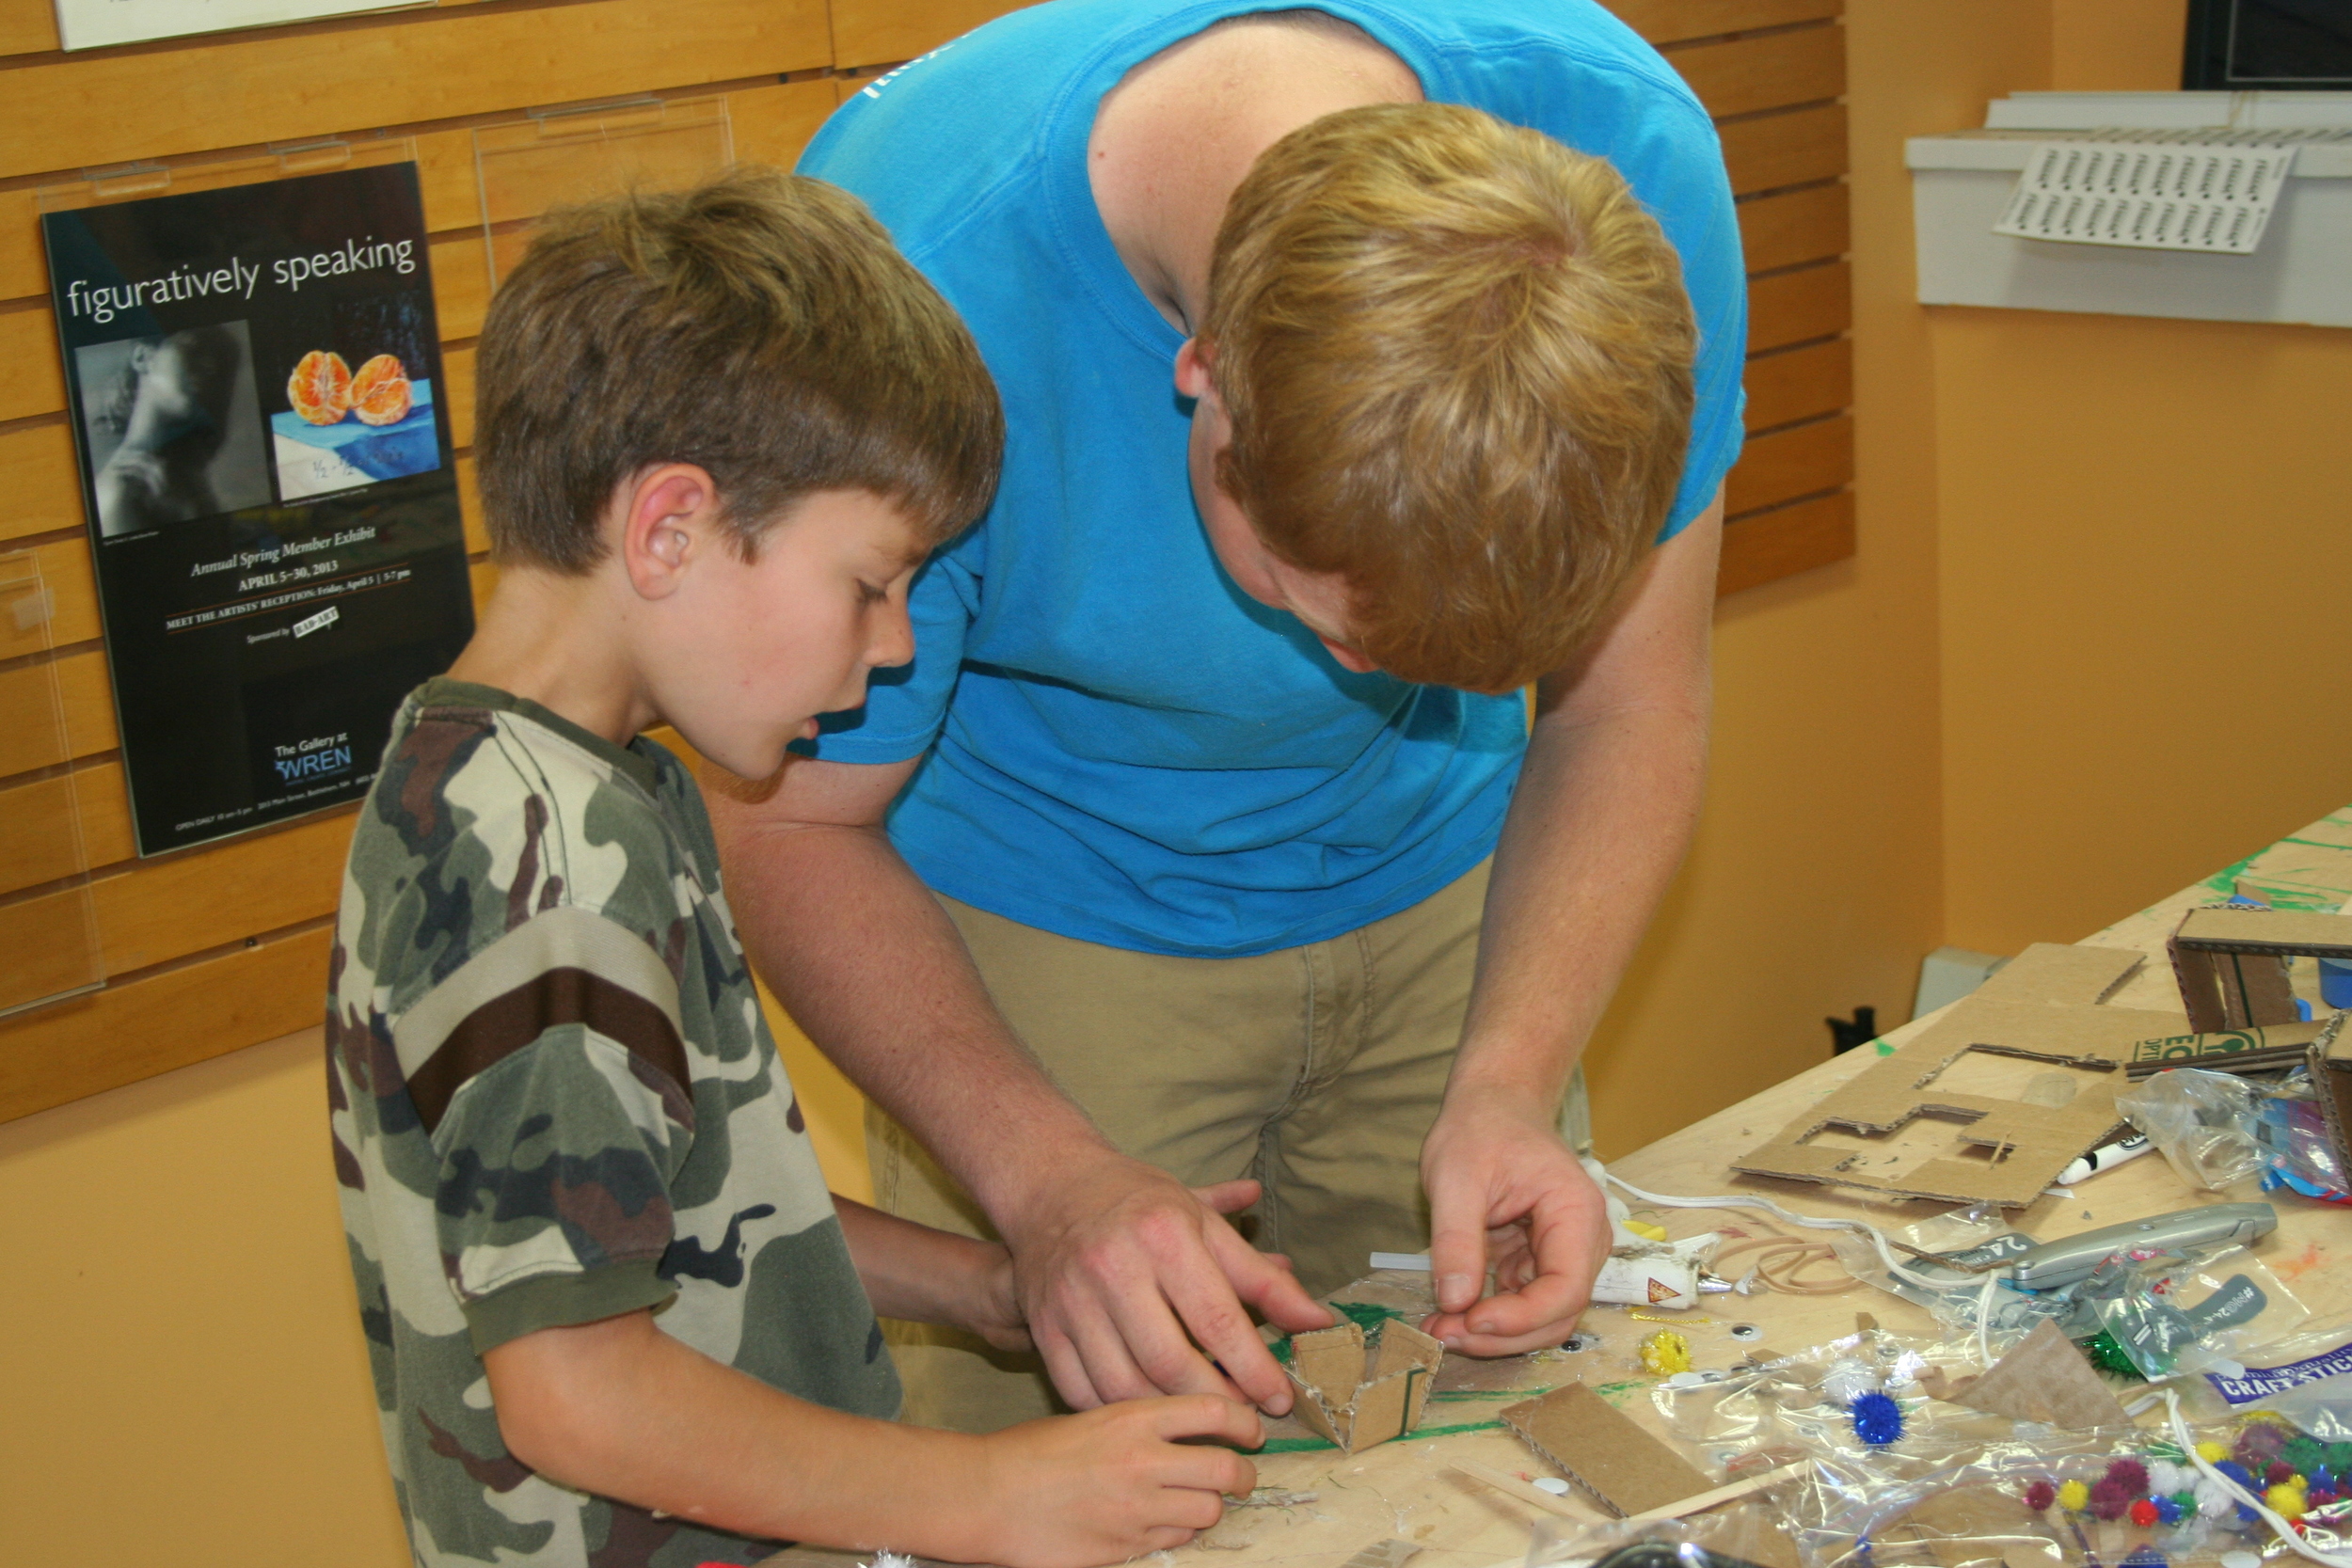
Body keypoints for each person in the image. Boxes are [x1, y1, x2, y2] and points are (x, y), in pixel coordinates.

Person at [715, 0, 1746, 1433]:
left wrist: (1506, 1083)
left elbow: (1624, 707)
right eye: (1332, 621)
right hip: (1050, 913)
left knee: (1508, 1449)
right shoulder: (906, 287)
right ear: (1203, 386)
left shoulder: (1630, 176)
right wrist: (1045, 1179)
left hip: (1459, 876)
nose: (1397, 693)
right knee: (1093, 1484)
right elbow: (785, 825)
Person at [326, 166, 1264, 1568]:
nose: (893, 646)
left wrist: (995, 1284)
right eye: (870, 584)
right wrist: (990, 1497)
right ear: (670, 528)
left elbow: (676, 1208)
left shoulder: (556, 781)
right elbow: (578, 1396)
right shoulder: (540, 873)